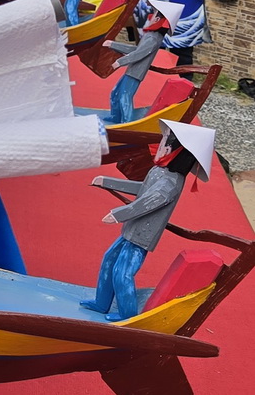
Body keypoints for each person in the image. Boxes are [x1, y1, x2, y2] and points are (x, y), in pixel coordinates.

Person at [83, 121, 215, 321]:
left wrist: (119, 214)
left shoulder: (171, 182)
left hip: (142, 236)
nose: (160, 146)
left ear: (174, 151)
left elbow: (147, 203)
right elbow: (142, 189)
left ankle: (127, 314)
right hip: (132, 228)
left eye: (165, 142)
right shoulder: (159, 171)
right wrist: (107, 182)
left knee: (123, 272)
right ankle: (101, 302)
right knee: (109, 259)